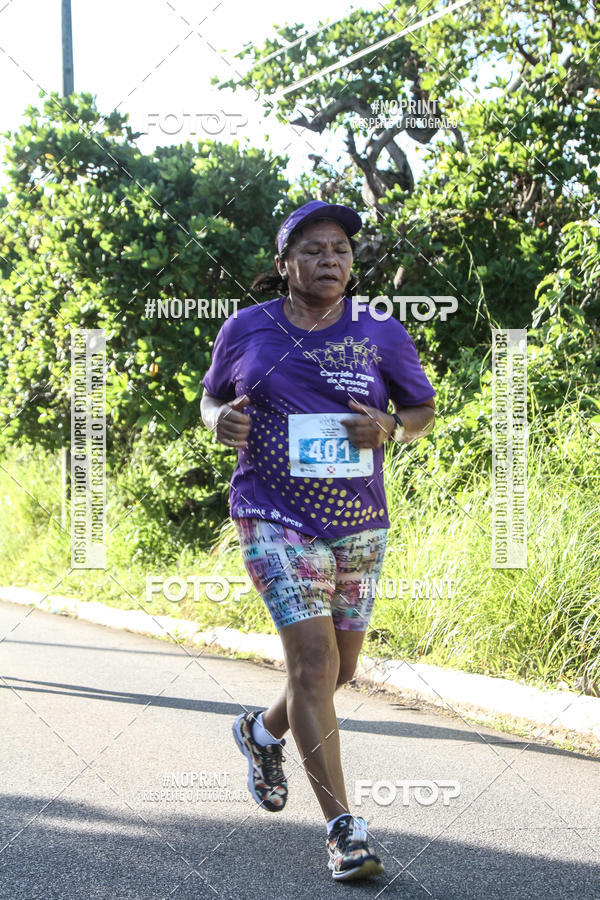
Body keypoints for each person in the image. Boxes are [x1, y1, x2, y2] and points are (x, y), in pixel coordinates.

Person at [200, 199, 435, 882]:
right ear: (284, 266)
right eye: (313, 250)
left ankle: (260, 732)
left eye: (339, 249)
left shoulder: (380, 332)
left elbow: (419, 408)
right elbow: (211, 398)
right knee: (310, 663)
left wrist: (392, 428)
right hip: (272, 514)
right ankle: (343, 829)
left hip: (358, 520)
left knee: (339, 672)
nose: (329, 259)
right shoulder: (248, 329)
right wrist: (218, 419)